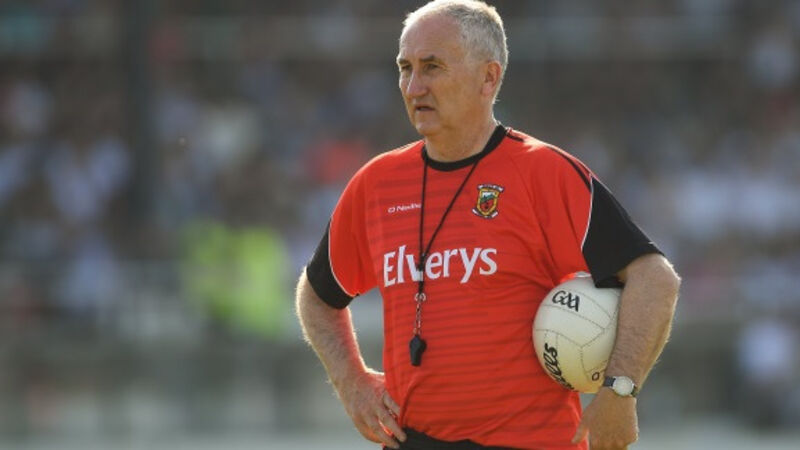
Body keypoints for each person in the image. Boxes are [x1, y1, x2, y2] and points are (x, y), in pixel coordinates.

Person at [295, 1, 681, 449]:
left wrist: (619, 390)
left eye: (433, 67)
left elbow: (654, 279)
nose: (414, 86)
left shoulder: (543, 173)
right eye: (405, 68)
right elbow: (316, 296)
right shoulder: (376, 184)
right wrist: (352, 382)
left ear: (489, 78)